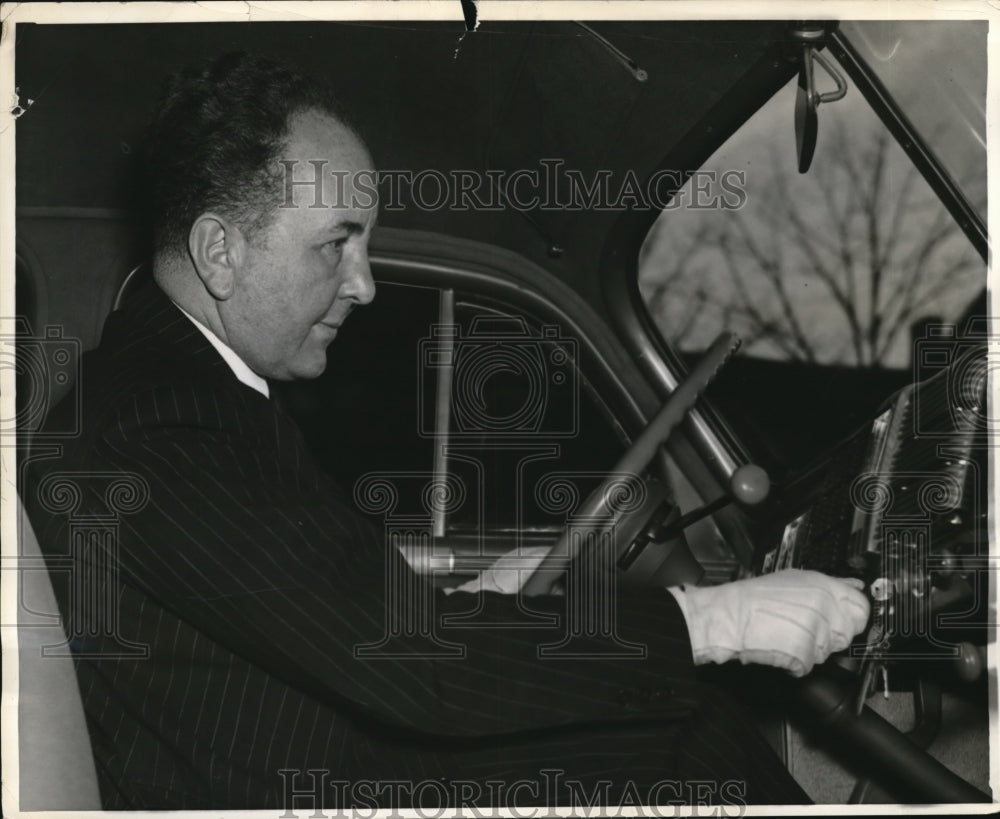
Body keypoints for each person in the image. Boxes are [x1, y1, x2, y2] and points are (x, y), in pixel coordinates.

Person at [24, 52, 869, 811]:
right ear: (220, 252)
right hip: (295, 784)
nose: (365, 284)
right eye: (337, 243)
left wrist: (480, 597)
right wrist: (714, 622)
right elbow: (407, 666)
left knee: (673, 732)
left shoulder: (185, 390)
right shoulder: (161, 423)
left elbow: (323, 606)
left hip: (319, 762)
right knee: (684, 739)